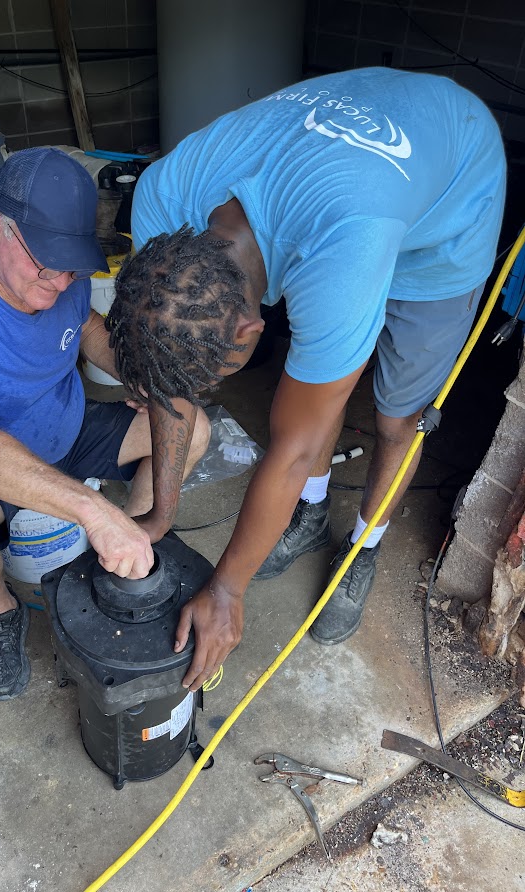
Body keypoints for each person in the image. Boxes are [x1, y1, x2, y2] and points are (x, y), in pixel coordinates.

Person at [106, 67, 506, 693]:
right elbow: (170, 384)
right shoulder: (164, 196)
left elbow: (292, 449)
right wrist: (163, 506)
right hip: (360, 174)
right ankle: (309, 517)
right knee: (313, 396)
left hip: (449, 190)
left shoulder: (340, 261)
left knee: (395, 417)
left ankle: (363, 547)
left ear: (249, 332)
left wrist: (227, 591)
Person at [0, 147, 210, 701]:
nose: (62, 282)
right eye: (48, 265)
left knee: (192, 426)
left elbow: (87, 326)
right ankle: (3, 612)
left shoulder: (58, 281)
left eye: (73, 266)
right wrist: (95, 512)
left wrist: (138, 376)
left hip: (69, 430)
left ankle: (132, 543)